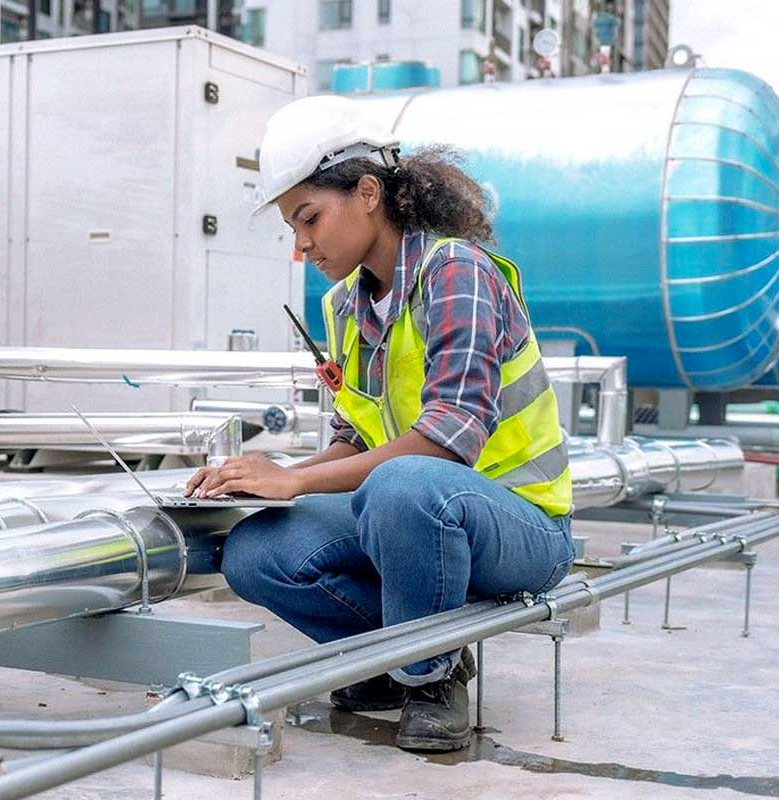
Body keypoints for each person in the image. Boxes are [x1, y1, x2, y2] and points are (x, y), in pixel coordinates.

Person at [184, 95, 575, 752]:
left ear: (368, 193)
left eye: (309, 218)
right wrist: (270, 477)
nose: (301, 244)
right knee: (255, 552)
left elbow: (448, 441)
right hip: (416, 507)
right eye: (292, 227)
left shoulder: (456, 273)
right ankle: (385, 658)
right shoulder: (346, 305)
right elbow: (355, 438)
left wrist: (296, 483)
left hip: (521, 523)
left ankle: (431, 676)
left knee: (403, 487)